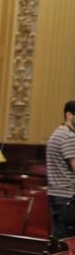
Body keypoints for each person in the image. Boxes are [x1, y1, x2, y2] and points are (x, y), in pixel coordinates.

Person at [47, 99, 75, 238]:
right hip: (67, 196)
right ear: (69, 115)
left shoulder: (57, 133)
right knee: (65, 242)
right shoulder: (69, 137)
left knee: (58, 239)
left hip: (56, 193)